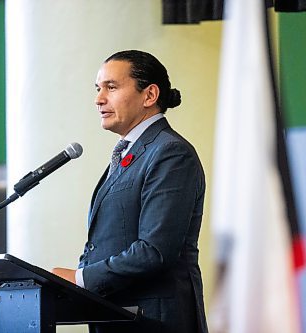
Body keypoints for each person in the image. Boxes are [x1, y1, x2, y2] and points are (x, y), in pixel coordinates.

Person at [52, 50, 208, 333]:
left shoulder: (170, 153)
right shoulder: (131, 152)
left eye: (111, 87)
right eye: (98, 88)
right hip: (116, 316)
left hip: (154, 321)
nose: (99, 99)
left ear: (149, 95)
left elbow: (155, 250)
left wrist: (81, 278)